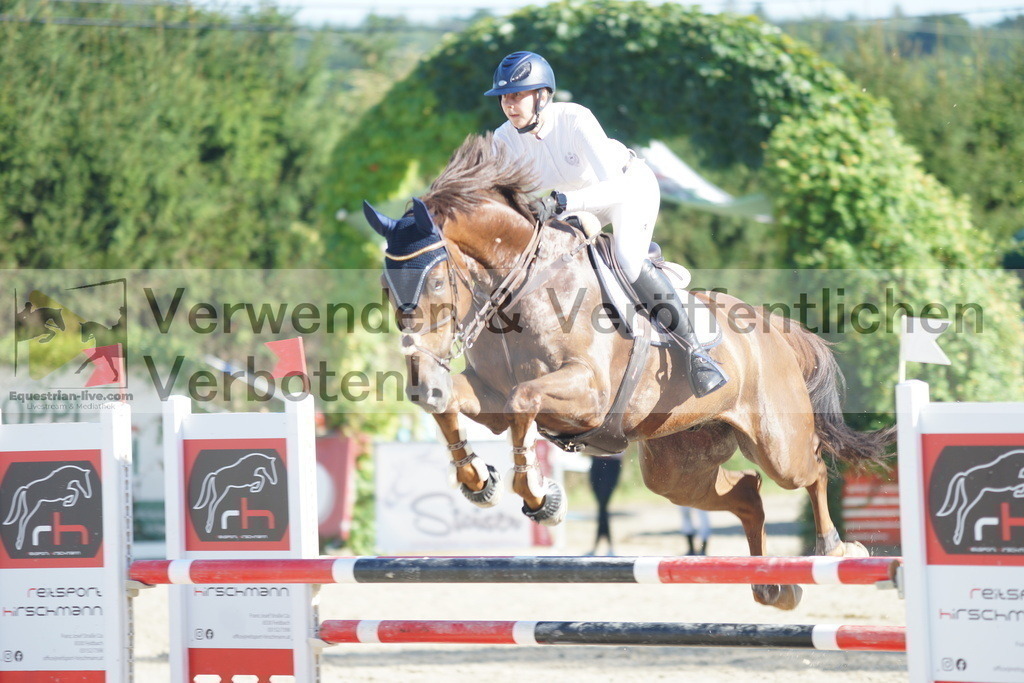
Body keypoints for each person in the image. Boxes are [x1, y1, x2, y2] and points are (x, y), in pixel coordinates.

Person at [485, 50, 728, 398]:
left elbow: (614, 186)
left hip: (627, 189)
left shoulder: (574, 118)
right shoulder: (503, 139)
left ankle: (697, 353)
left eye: (517, 95)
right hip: (570, 207)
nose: (509, 104)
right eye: (504, 97)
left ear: (542, 96)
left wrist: (566, 202)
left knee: (628, 260)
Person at [587, 453, 623, 556]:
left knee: (602, 506)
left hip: (612, 463)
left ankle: (598, 546)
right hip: (596, 461)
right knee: (602, 507)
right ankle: (607, 546)